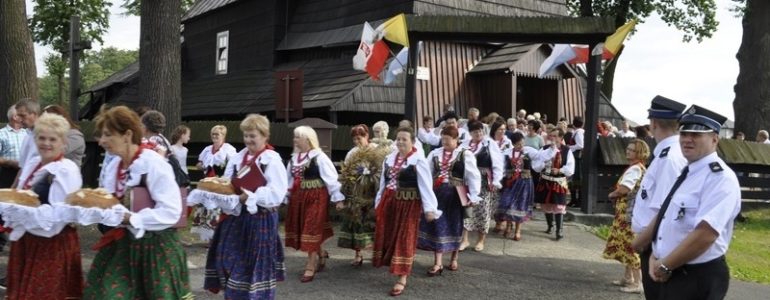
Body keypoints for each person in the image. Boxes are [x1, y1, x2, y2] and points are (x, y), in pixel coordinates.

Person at [84, 106, 192, 299]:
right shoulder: (115, 166)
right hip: (123, 245)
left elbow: (172, 211)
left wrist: (131, 218)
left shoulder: (152, 163)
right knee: (106, 294)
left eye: (108, 135)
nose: (101, 141)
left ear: (127, 135)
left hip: (157, 248)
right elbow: (110, 204)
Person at [632, 105, 739, 300]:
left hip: (695, 276)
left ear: (715, 139)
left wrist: (665, 264)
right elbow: (666, 215)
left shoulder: (720, 178)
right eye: (684, 133)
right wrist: (655, 254)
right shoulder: (689, 172)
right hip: (670, 270)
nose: (688, 139)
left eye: (697, 135)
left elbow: (706, 234)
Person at [202, 114, 287, 299]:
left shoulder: (271, 160)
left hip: (260, 219)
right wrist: (222, 190)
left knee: (253, 267)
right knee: (228, 260)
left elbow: (276, 194)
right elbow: (228, 182)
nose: (248, 140)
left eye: (253, 136)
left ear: (265, 136)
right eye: (246, 135)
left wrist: (250, 196)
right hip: (236, 218)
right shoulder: (237, 157)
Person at [3, 113, 83, 299]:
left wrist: (17, 210)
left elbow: (57, 215)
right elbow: (21, 197)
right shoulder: (34, 163)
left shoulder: (66, 170)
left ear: (63, 142)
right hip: (27, 239)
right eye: (42, 138)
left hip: (51, 242)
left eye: (52, 139)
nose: (46, 143)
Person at [629, 95, 688, 299]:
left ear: (653, 124)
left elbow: (664, 208)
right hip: (654, 240)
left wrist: (642, 241)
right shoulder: (667, 153)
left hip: (654, 243)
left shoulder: (669, 157)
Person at [372, 126, 441, 297]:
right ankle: (392, 264)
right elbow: (383, 182)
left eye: (405, 139)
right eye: (399, 139)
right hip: (390, 201)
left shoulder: (418, 161)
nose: (401, 142)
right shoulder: (389, 158)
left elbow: (426, 186)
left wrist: (430, 208)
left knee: (405, 237)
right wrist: (378, 201)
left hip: (409, 204)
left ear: (412, 141)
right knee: (390, 235)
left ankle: (402, 277)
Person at [418, 126, 481, 275]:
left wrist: (473, 195)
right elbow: (426, 173)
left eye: (448, 139)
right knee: (438, 227)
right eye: (443, 139)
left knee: (455, 226)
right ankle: (438, 263)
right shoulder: (434, 153)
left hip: (455, 196)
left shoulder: (465, 155)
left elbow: (473, 176)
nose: (444, 142)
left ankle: (454, 258)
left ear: (456, 139)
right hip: (437, 195)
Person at [285, 126, 344, 282]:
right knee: (305, 229)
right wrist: (285, 197)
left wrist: (338, 198)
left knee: (311, 229)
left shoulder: (319, 157)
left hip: (316, 197)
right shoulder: (293, 158)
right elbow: (288, 181)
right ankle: (321, 253)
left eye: (297, 137)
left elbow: (331, 178)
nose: (294, 140)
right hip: (298, 199)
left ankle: (310, 266)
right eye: (294, 136)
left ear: (307, 139)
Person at [603, 139, 650, 294]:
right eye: (628, 149)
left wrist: (612, 194)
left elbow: (624, 189)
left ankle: (638, 283)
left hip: (627, 214)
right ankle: (628, 278)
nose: (627, 151)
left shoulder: (635, 169)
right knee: (625, 245)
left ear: (639, 153)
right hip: (630, 212)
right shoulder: (639, 168)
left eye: (631, 150)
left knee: (630, 245)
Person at [338, 124, 388, 267]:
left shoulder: (376, 151)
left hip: (372, 192)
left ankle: (378, 254)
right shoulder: (352, 153)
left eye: (359, 138)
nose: (356, 141)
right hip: (357, 193)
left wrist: (370, 174)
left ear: (366, 136)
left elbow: (381, 171)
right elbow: (346, 172)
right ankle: (358, 254)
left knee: (373, 224)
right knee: (356, 224)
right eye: (354, 139)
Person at [495, 132, 554, 241]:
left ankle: (518, 230)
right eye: (518, 144)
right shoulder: (507, 153)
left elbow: (541, 156)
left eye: (522, 143)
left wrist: (551, 148)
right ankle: (508, 225)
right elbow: (501, 166)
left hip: (524, 182)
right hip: (510, 182)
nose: (521, 146)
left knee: (520, 206)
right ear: (513, 144)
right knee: (507, 203)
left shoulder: (529, 151)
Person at [458, 120, 503, 252]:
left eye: (479, 131)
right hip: (467, 180)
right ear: (470, 133)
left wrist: (496, 180)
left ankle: (480, 240)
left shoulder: (490, 144)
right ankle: (464, 239)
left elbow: (498, 163)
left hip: (484, 180)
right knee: (466, 209)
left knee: (483, 210)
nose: (478, 133)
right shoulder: (464, 145)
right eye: (474, 131)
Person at [192, 125, 237, 242]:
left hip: (221, 185)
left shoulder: (229, 150)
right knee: (207, 209)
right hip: (208, 183)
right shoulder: (207, 149)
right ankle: (209, 238)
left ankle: (219, 237)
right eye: (213, 134)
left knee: (218, 211)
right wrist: (201, 166)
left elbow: (234, 166)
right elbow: (199, 164)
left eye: (217, 134)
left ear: (223, 136)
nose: (215, 136)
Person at [533, 128, 574, 240]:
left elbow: (570, 168)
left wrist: (560, 170)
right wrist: (543, 163)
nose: (552, 138)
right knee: (546, 204)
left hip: (558, 182)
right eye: (551, 136)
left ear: (561, 138)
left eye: (555, 136)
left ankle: (559, 230)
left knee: (559, 206)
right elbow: (536, 165)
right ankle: (550, 226)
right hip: (545, 180)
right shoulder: (544, 149)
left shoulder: (566, 151)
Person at [13, 99, 41, 185]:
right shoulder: (27, 136)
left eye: (23, 116)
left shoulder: (47, 136)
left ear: (35, 114)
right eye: (18, 116)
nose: (19, 119)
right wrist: (14, 187)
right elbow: (23, 167)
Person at [0, 106, 27, 188]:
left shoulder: (27, 134)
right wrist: (10, 162)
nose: (25, 117)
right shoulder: (1, 134)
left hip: (25, 173)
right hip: (7, 173)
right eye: (22, 115)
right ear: (15, 117)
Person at [567, 116, 585, 208]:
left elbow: (580, 145)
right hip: (575, 157)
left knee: (577, 179)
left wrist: (570, 147)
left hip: (577, 158)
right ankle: (574, 199)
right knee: (574, 179)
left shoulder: (579, 133)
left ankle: (578, 200)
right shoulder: (578, 132)